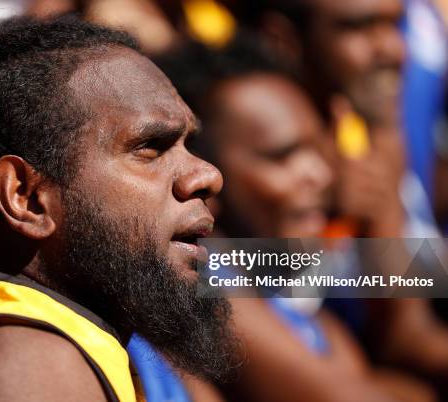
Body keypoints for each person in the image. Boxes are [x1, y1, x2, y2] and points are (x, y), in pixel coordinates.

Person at [0, 15, 241, 402]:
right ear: (26, 197)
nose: (208, 175)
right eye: (151, 147)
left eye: (189, 144)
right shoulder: (22, 363)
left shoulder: (70, 329)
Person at [155, 37, 437, 402]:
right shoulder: (210, 294)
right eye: (282, 157)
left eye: (319, 149)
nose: (319, 174)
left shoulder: (281, 285)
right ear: (205, 174)